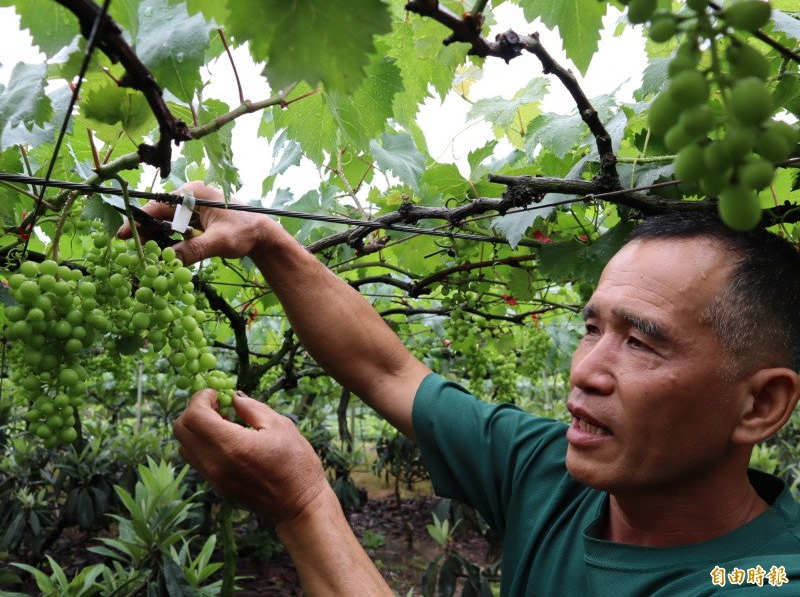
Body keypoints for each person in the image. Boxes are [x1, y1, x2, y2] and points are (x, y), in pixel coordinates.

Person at [120, 181, 800, 596]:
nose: (587, 369)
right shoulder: (552, 471)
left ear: (761, 404)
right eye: (592, 328)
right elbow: (392, 372)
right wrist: (266, 239)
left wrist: (302, 507)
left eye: (643, 341)